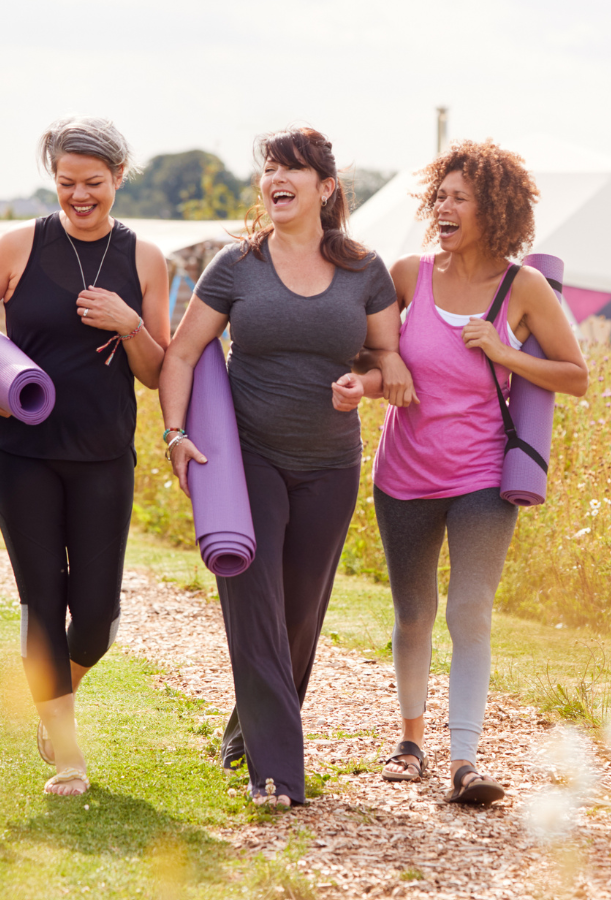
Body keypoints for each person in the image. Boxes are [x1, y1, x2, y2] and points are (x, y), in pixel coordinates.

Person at [333, 140, 588, 804]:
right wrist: (371, 380)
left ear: (493, 210)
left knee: (469, 610)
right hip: (403, 474)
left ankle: (466, 759)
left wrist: (504, 351)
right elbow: (368, 356)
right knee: (413, 611)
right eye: (439, 195)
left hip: (481, 475)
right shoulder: (409, 275)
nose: (442, 206)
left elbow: (575, 375)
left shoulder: (522, 288)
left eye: (458, 198)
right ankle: (411, 743)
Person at [160, 126, 408, 807]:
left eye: (291, 168)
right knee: (255, 602)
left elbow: (390, 360)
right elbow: (181, 354)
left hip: (331, 463)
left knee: (300, 613)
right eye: (269, 166)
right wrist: (175, 432)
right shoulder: (237, 266)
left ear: (325, 188)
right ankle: (277, 774)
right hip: (249, 459)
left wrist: (369, 385)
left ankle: (248, 729)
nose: (275, 177)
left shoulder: (365, 268)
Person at [0, 117, 170, 797]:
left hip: (103, 453)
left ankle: (51, 697)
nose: (79, 196)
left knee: (95, 618)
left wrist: (129, 324)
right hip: (20, 450)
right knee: (43, 600)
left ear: (118, 178)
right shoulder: (18, 244)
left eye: (93, 183)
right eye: (67, 183)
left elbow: (157, 372)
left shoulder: (147, 259)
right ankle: (68, 755)